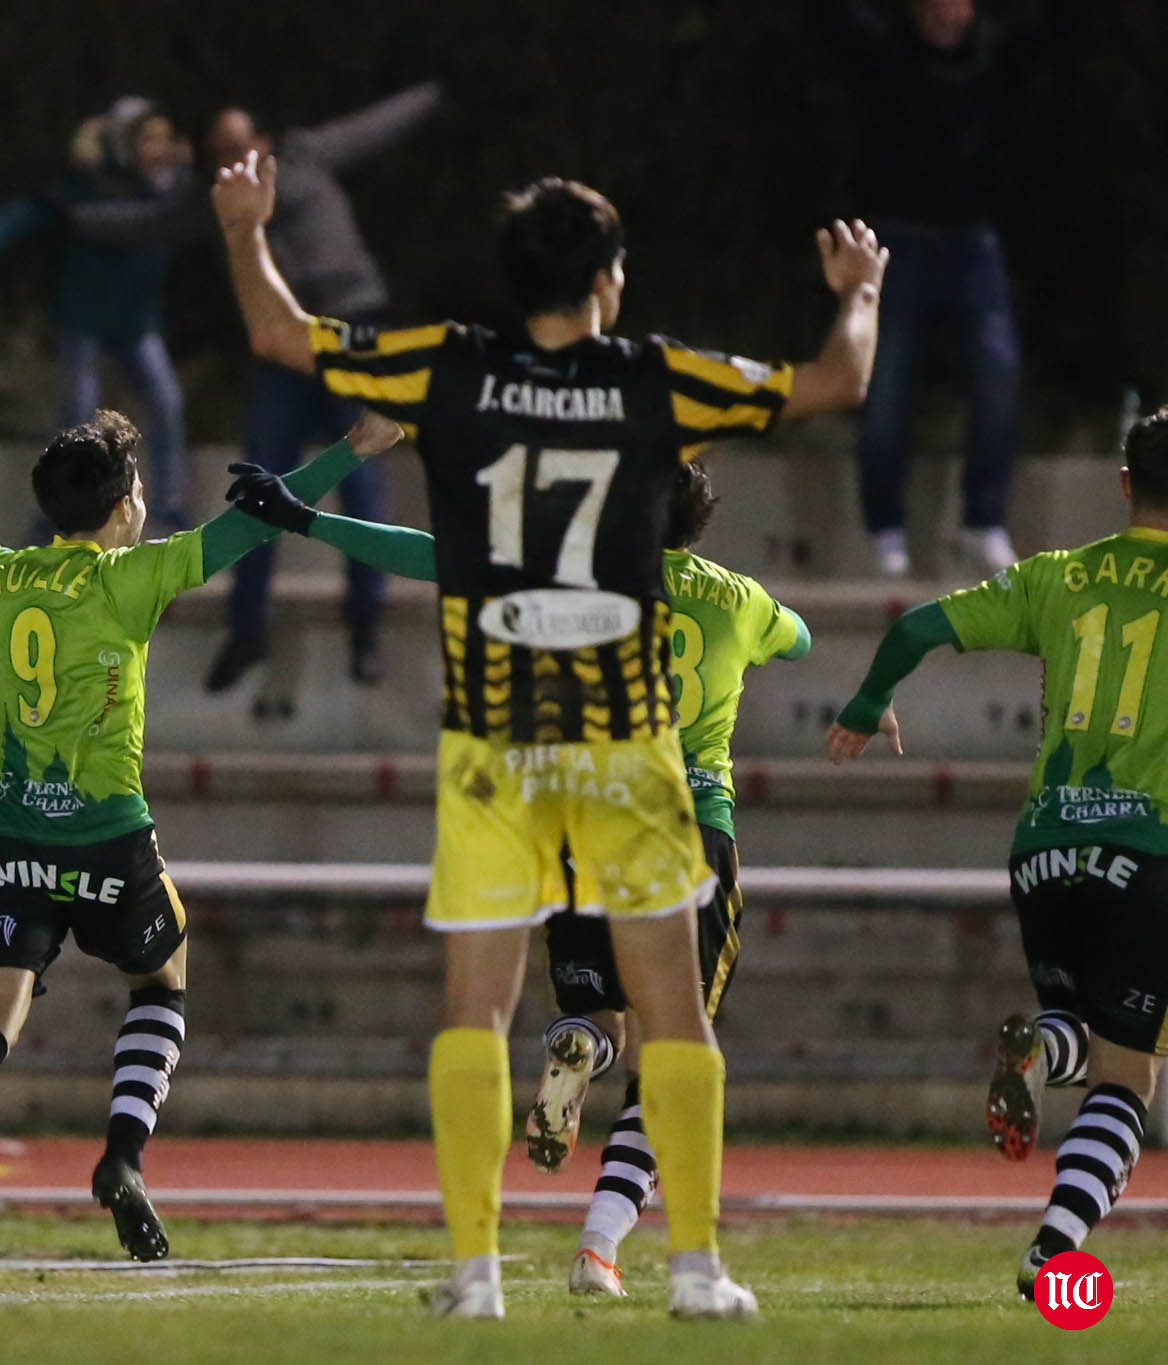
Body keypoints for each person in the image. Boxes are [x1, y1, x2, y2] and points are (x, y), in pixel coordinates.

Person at [212, 151, 885, 1317]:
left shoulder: (450, 367)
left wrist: (243, 227)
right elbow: (834, 382)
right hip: (625, 746)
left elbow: (281, 335)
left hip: (493, 739)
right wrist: (858, 287)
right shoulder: (652, 382)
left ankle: (474, 1275)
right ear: (609, 281)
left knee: (475, 1007)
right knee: (671, 1010)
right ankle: (694, 1269)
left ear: (509, 275)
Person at [0, 404, 403, 1293]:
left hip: (5, 835)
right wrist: (349, 450)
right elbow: (249, 528)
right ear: (125, 504)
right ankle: (123, 1158)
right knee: (163, 979)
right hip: (107, 838)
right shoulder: (134, 577)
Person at [230, 458, 813, 1297]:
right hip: (688, 828)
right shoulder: (739, 599)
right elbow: (797, 636)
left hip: (582, 816)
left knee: (599, 1008)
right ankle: (603, 1247)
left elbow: (432, 554)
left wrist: (304, 519)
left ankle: (584, 1042)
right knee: (675, 1049)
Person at [827, 407, 1168, 1297]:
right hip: (1149, 852)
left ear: (1125, 483)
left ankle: (1039, 1051)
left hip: (1045, 851)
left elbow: (913, 630)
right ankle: (1055, 1250)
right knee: (1129, 1075)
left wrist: (868, 704)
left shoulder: (1060, 576)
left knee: (1073, 1026)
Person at [74, 83, 444, 689]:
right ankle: (246, 630)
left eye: (239, 147)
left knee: (364, 474)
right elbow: (147, 223)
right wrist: (70, 214)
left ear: (265, 143)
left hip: (351, 328)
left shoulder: (304, 157)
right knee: (260, 482)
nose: (231, 160)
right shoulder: (214, 196)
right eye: (218, 151)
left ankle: (365, 627)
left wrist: (436, 92)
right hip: (283, 352)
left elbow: (371, 125)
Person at [821, 0, 1075, 576]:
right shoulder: (889, 50)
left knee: (997, 375)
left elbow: (1059, 24)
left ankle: (983, 523)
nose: (947, 14)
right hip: (899, 240)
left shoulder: (993, 51)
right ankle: (884, 531)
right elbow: (830, 20)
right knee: (884, 386)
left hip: (971, 242)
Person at [0, 98, 194, 529]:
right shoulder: (89, 185)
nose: (158, 148)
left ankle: (170, 510)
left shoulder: (166, 190)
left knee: (166, 405)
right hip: (86, 319)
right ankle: (60, 514)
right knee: (77, 419)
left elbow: (175, 203)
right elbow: (38, 210)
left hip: (136, 323)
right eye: (147, 138)